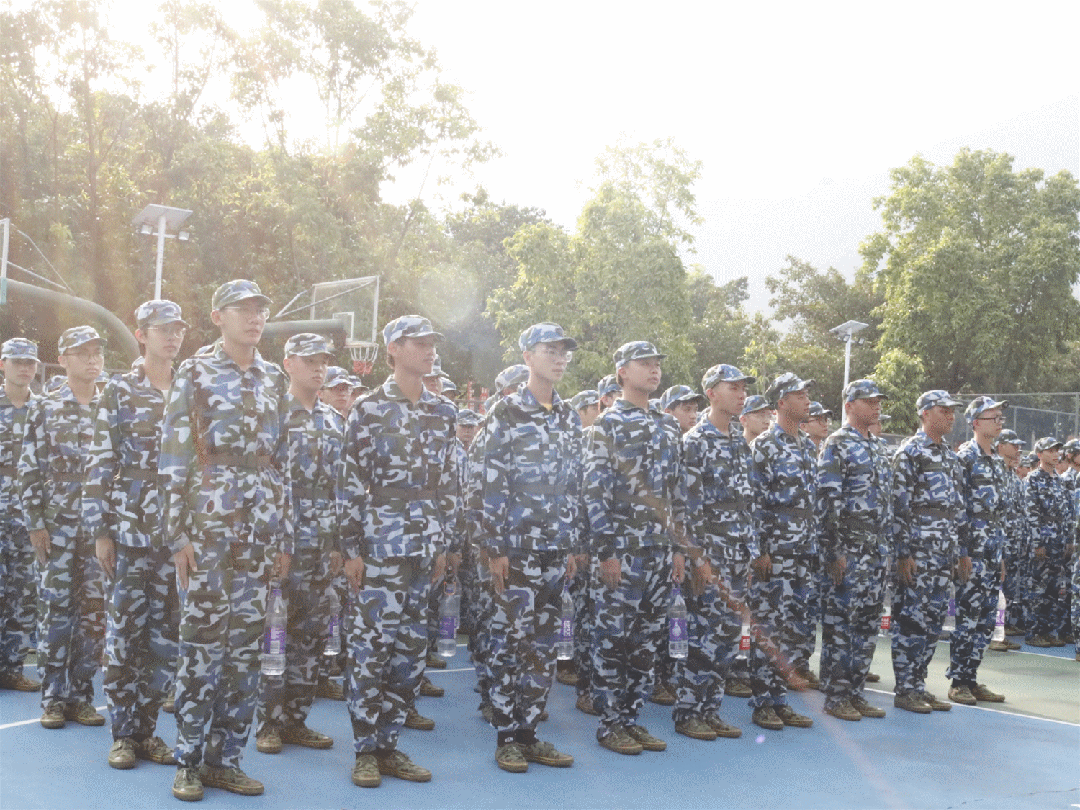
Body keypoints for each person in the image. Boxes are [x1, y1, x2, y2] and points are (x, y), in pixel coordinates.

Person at [159, 280, 293, 801]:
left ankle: (226, 760)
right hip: (208, 532)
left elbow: (280, 462)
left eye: (261, 309)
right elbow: (175, 455)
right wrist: (176, 533)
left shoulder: (274, 378)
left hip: (258, 534)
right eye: (243, 309)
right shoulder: (194, 372)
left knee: (244, 652)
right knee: (201, 647)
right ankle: (188, 760)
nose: (255, 318)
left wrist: (284, 535)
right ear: (218, 316)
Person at [340, 315, 457, 789]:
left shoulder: (443, 411)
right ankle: (365, 750)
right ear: (393, 349)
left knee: (410, 653)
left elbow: (448, 482)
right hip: (380, 546)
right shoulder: (368, 409)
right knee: (371, 650)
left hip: (424, 546)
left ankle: (388, 743)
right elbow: (350, 482)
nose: (429, 349)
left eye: (432, 342)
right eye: (419, 342)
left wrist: (444, 543)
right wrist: (350, 548)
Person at [84, 301, 187, 770]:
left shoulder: (189, 389)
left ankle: (147, 730)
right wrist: (101, 531)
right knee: (125, 636)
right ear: (142, 335)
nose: (173, 336)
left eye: (178, 329)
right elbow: (100, 462)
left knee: (166, 640)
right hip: (129, 532)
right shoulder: (120, 390)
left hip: (176, 537)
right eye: (163, 329)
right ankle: (124, 735)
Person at [479, 323, 582, 773]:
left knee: (544, 644)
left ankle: (529, 732)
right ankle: (506, 736)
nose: (559, 358)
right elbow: (490, 480)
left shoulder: (568, 416)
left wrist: (572, 543)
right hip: (517, 548)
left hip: (555, 548)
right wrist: (494, 547)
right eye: (549, 350)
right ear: (527, 356)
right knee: (510, 640)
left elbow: (574, 482)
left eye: (564, 352)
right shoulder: (505, 412)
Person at [583, 341, 692, 756]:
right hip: (622, 550)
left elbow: (676, 492)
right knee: (613, 639)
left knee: (646, 642)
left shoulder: (668, 426)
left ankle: (631, 717)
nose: (654, 370)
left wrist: (679, 548)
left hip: (659, 550)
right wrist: (606, 550)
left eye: (657, 364)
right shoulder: (607, 424)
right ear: (622, 372)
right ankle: (610, 723)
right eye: (644, 363)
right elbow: (595, 490)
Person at [255, 333, 342, 755]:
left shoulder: (335, 421)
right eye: (310, 360)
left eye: (323, 360)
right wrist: (276, 541)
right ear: (288, 363)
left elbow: (343, 487)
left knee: (311, 634)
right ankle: (268, 722)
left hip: (322, 545)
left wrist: (340, 542)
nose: (318, 367)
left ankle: (296, 719)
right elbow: (265, 482)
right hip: (282, 542)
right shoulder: (273, 416)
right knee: (276, 631)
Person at [20, 326, 107, 730]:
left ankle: (82, 696)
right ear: (63, 359)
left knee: (94, 613)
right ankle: (54, 697)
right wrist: (35, 523)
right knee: (56, 611)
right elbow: (29, 467)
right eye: (82, 352)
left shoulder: (111, 406)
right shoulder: (45, 406)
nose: (92, 359)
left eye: (97, 352)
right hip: (56, 523)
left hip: (99, 526)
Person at [672, 363, 758, 742]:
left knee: (727, 636)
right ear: (711, 393)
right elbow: (687, 506)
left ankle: (711, 708)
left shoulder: (738, 439)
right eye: (733, 388)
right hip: (711, 556)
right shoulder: (695, 441)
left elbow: (747, 502)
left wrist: (750, 553)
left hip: (737, 555)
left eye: (743, 388)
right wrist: (698, 559)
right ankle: (688, 711)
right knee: (702, 636)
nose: (741, 394)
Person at [815, 379, 892, 722]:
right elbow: (828, 501)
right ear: (849, 406)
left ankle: (856, 692)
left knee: (867, 626)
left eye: (878, 401)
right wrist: (835, 552)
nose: (876, 406)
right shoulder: (838, 443)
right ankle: (836, 696)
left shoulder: (877, 446)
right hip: (849, 551)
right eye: (869, 401)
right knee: (841, 626)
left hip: (875, 551)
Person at [747, 372, 818, 731]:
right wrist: (760, 550)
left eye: (807, 394)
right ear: (781, 402)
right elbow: (754, 503)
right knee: (769, 627)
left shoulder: (807, 445)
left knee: (793, 628)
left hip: (803, 552)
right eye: (799, 394)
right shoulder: (765, 445)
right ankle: (763, 702)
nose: (807, 400)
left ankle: (780, 699)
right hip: (775, 553)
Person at [889, 390, 965, 714]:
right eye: (943, 410)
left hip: (943, 552)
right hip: (918, 552)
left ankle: (919, 684)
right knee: (911, 620)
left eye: (952, 411)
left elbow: (957, 508)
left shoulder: (950, 456)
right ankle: (905, 688)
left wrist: (959, 552)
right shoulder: (910, 452)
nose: (950, 416)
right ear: (925, 413)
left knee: (933, 622)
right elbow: (898, 506)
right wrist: (903, 553)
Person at [946, 397, 1009, 705]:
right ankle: (958, 681)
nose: (999, 422)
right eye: (992, 417)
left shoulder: (997, 460)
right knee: (968, 618)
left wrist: (1001, 556)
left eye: (1000, 417)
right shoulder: (965, 457)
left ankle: (971, 677)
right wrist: (962, 552)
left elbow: (999, 512)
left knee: (985, 620)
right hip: (972, 552)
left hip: (992, 552)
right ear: (975, 423)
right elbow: (958, 509)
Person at [0, 338, 41, 693]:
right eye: (18, 362)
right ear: (3, 365)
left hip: (28, 516)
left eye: (30, 362)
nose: (25, 368)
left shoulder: (44, 410)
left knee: (23, 595)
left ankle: (11, 668)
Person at [1023, 437, 1073, 648]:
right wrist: (1037, 543)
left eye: (1057, 450)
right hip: (1042, 541)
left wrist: (1069, 540)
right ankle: (1034, 632)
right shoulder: (1033, 479)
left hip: (1058, 542)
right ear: (1040, 454)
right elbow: (1031, 513)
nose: (1055, 454)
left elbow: (1067, 513)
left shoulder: (1060, 480)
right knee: (1038, 589)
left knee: (1054, 590)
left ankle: (1048, 630)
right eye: (1050, 451)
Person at [993, 430, 1028, 643]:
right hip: (997, 541)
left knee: (1008, 590)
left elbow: (1020, 513)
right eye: (1013, 445)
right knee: (995, 589)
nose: (1017, 449)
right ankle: (992, 634)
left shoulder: (1013, 478)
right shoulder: (994, 473)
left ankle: (1001, 631)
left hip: (1013, 542)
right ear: (1000, 446)